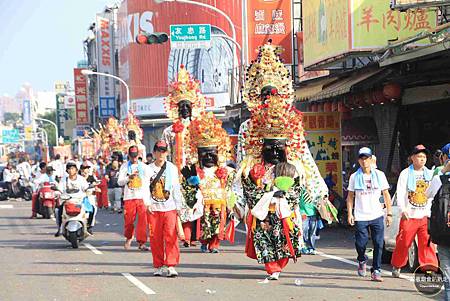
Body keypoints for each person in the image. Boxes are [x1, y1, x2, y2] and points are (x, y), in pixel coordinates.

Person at [237, 42, 330, 281]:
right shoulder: (247, 127)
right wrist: (238, 194)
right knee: (264, 228)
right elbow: (242, 162)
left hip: (286, 183)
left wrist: (318, 192)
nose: (269, 99)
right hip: (259, 184)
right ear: (256, 96)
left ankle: (280, 260)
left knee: (288, 228)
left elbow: (304, 157)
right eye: (264, 94)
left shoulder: (292, 124)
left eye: (273, 94)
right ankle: (271, 264)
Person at [180, 112, 235, 253]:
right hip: (203, 203)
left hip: (219, 202)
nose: (209, 157)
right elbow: (187, 190)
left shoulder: (225, 171)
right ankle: (204, 242)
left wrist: (230, 202)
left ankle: (214, 244)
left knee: (218, 224)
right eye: (205, 154)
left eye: (212, 153)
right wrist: (192, 186)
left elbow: (230, 187)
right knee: (204, 224)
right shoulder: (195, 171)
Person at [391, 145, 438, 277]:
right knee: (404, 241)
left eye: (424, 156)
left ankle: (429, 268)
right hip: (409, 215)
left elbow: (433, 193)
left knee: (427, 243)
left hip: (425, 215)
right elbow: (400, 192)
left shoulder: (429, 173)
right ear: (412, 158)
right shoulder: (405, 173)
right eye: (419, 156)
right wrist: (403, 209)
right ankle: (397, 264)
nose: (422, 159)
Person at [346, 147, 392, 282]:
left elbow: (386, 195)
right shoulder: (354, 177)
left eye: (366, 158)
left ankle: (376, 270)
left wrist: (389, 213)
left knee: (378, 243)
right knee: (361, 244)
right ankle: (362, 259)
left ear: (372, 159)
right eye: (361, 158)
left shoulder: (380, 175)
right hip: (361, 216)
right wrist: (350, 213)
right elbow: (350, 197)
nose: (364, 161)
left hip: (377, 215)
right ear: (359, 160)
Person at [147, 140, 183, 277]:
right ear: (154, 152)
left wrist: (179, 206)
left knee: (171, 236)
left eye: (163, 151)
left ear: (167, 153)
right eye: (158, 151)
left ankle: (171, 265)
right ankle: (158, 265)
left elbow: (176, 188)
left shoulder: (172, 168)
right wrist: (147, 203)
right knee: (155, 238)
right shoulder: (148, 169)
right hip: (154, 208)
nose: (160, 154)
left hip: (169, 208)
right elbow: (145, 187)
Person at [161, 64, 206, 171]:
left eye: (187, 105)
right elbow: (165, 156)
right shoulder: (169, 132)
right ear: (177, 108)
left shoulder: (201, 129)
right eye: (182, 106)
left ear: (193, 107)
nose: (185, 109)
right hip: (177, 173)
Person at [426, 144, 450, 301]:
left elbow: (428, 194)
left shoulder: (438, 178)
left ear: (444, 158)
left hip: (443, 230)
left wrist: (443, 170)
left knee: (446, 262)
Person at [118, 145, 151, 250]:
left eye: (136, 156)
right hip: (129, 197)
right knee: (129, 221)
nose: (134, 158)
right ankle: (128, 238)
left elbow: (152, 178)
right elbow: (120, 182)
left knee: (142, 221)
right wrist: (129, 177)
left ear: (139, 155)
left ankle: (141, 243)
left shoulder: (145, 167)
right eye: (132, 156)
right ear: (129, 156)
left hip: (141, 197)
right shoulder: (124, 167)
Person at [55, 161, 96, 236]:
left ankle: (89, 227)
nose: (71, 170)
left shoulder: (81, 179)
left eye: (73, 169)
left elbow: (86, 187)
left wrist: (89, 190)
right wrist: (58, 193)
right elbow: (59, 189)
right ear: (67, 170)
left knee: (92, 209)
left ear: (76, 170)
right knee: (57, 211)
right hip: (67, 200)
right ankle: (60, 227)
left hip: (79, 201)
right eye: (69, 169)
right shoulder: (64, 179)